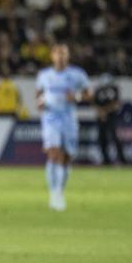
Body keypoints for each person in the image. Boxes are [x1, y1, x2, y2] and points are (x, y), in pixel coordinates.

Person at [36, 43, 92, 211]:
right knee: (54, 153)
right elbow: (39, 94)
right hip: (50, 118)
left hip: (68, 119)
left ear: (68, 56)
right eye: (58, 53)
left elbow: (89, 94)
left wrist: (76, 96)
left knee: (66, 157)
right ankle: (54, 194)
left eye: (64, 54)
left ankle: (59, 190)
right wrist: (40, 102)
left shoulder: (77, 74)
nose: (61, 57)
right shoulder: (44, 75)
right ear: (52, 56)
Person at [93, 73, 127, 165]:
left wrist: (105, 111)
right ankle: (105, 159)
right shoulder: (98, 90)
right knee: (102, 139)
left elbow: (116, 104)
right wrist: (101, 112)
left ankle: (122, 159)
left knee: (114, 137)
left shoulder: (114, 89)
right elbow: (94, 103)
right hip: (100, 117)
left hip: (112, 117)